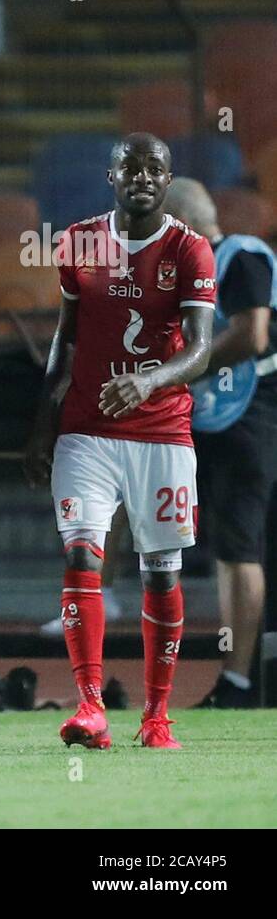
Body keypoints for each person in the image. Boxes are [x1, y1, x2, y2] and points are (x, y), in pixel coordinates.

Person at [24, 133, 215, 750]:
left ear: (166, 179)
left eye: (154, 168)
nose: (142, 177)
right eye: (129, 168)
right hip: (87, 430)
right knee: (82, 555)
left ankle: (157, 716)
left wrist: (149, 381)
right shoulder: (79, 242)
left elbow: (202, 348)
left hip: (161, 433)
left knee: (160, 574)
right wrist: (43, 420)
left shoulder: (190, 250)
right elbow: (67, 337)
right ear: (110, 177)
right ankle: (90, 707)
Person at [163, 178, 276, 709]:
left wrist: (181, 369)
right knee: (230, 546)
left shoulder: (242, 256)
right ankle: (244, 674)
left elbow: (253, 335)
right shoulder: (204, 271)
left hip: (252, 420)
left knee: (238, 545)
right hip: (228, 422)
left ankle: (238, 682)